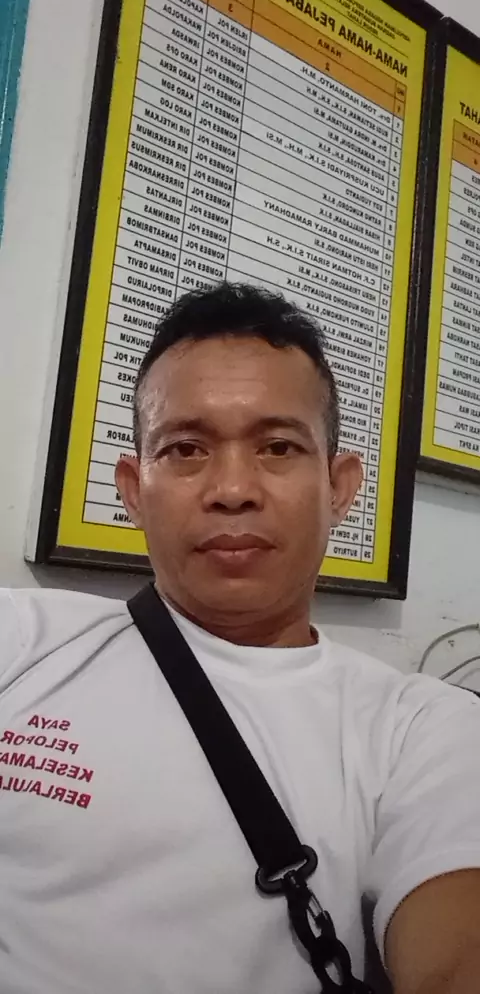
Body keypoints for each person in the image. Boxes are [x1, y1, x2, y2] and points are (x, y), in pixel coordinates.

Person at [1, 282, 480, 994]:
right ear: (133, 490)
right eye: (185, 448)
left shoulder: (420, 730)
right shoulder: (24, 641)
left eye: (278, 447)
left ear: (339, 487)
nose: (231, 489)